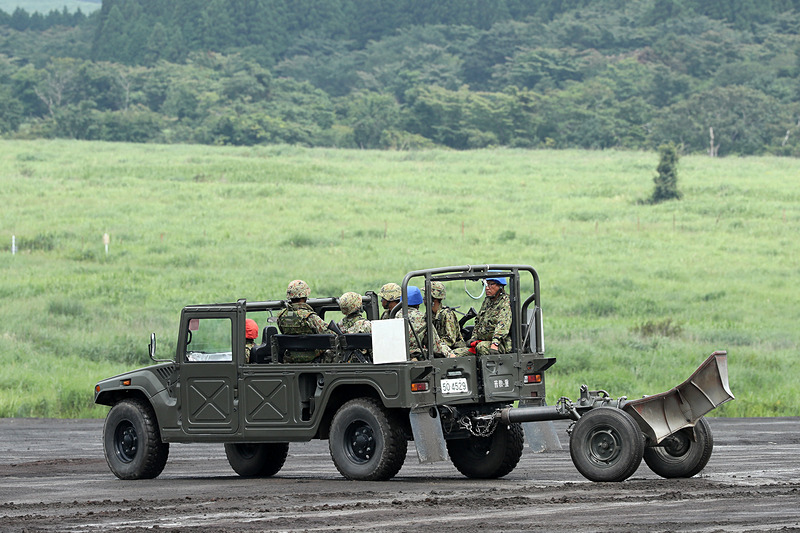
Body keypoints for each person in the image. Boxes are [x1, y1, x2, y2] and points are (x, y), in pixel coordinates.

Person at [454, 276, 512, 356]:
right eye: (486, 284)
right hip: (482, 342)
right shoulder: (487, 301)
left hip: (500, 344)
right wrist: (474, 338)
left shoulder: (505, 302)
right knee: (456, 353)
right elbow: (478, 321)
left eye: (491, 284)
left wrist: (495, 343)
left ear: (500, 286)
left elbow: (503, 325)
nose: (487, 288)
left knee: (481, 347)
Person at [277, 279, 333, 362]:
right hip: (314, 359)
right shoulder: (309, 317)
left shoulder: (282, 317)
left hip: (291, 360)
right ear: (305, 295)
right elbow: (330, 335)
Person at [404, 286, 453, 359]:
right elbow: (435, 345)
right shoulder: (421, 317)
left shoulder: (395, 314)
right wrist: (450, 354)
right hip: (415, 357)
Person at [425, 281, 466, 349]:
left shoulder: (446, 314)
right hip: (440, 348)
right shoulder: (430, 314)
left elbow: (450, 340)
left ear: (434, 298)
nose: (424, 298)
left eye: (426, 295)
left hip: (454, 349)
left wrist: (433, 345)